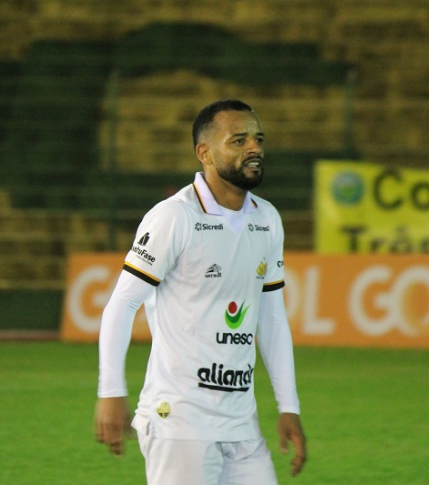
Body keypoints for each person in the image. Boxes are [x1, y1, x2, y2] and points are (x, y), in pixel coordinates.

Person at [94, 99, 306, 484]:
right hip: (179, 421)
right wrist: (111, 391)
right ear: (204, 153)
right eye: (238, 141)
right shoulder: (175, 217)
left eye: (258, 139)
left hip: (241, 423)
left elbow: (272, 318)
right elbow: (123, 304)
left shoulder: (267, 219)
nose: (254, 148)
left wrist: (288, 406)